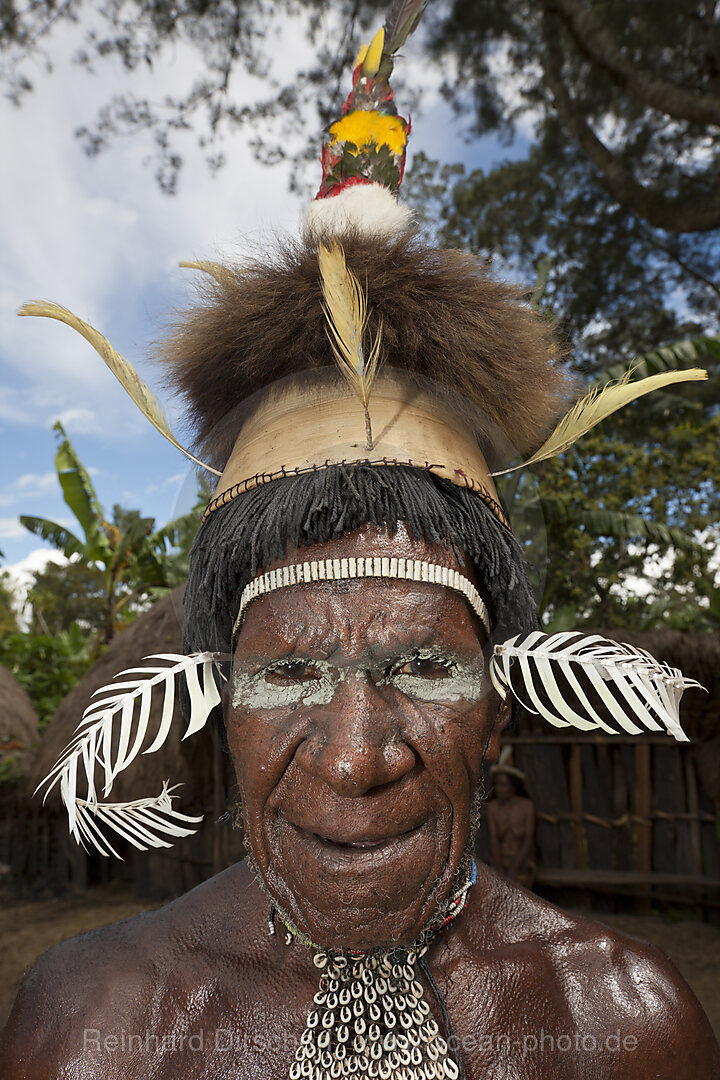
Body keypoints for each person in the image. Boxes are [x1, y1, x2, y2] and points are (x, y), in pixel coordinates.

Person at [3, 4, 718, 1077]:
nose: (353, 758)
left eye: (425, 665)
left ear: (501, 709)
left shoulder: (625, 1028)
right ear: (215, 701)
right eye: (288, 669)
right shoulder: (93, 1030)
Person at [487, 762, 536, 888]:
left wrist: (516, 867)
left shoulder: (526, 807)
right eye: (497, 784)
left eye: (503, 785)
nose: (499, 788)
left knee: (517, 886)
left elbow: (528, 840)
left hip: (523, 859)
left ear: (513, 787)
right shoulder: (492, 808)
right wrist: (498, 866)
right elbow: (493, 839)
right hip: (501, 859)